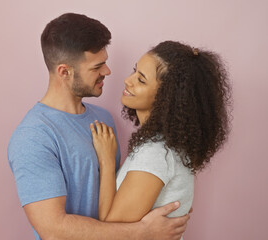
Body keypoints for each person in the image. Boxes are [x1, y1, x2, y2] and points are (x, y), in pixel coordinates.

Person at [8, 13, 189, 240]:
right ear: (65, 72)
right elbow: (53, 230)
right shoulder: (33, 137)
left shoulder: (104, 119)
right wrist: (144, 232)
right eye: (97, 67)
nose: (108, 71)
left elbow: (116, 199)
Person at [91, 41, 231, 239]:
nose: (127, 80)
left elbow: (111, 229)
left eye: (141, 80)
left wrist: (106, 161)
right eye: (134, 71)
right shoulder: (166, 146)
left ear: (166, 98)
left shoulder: (157, 152)